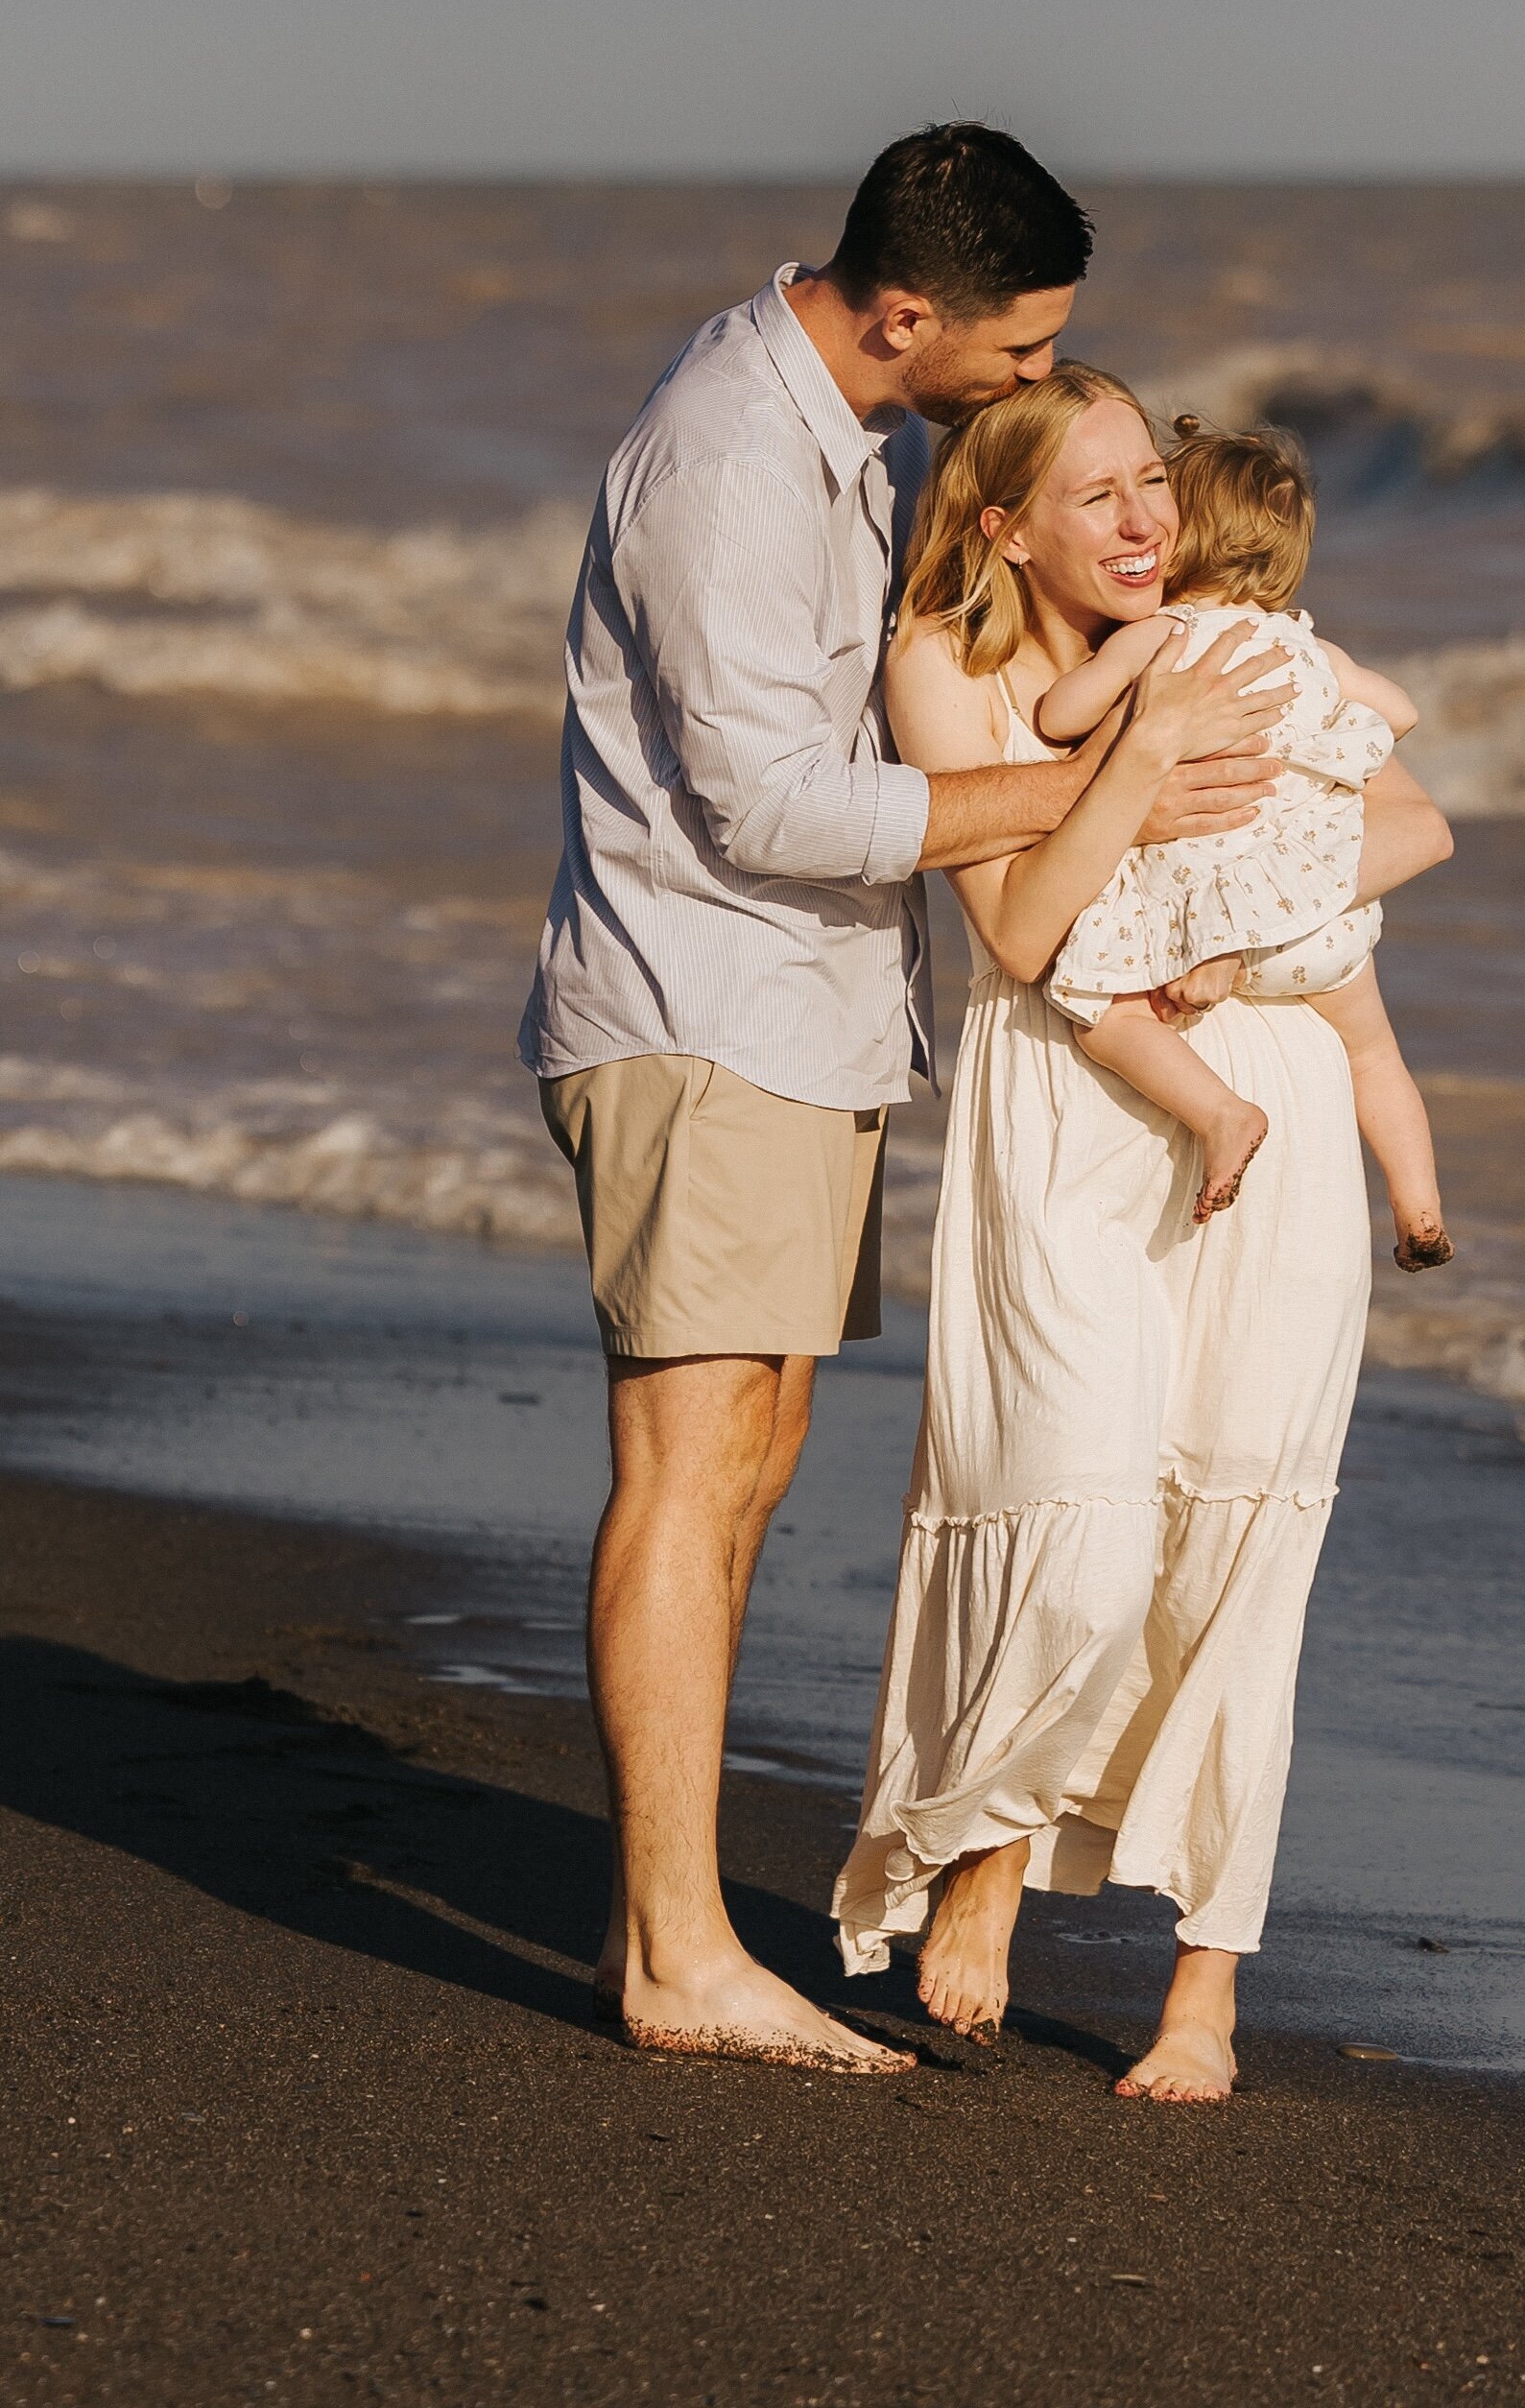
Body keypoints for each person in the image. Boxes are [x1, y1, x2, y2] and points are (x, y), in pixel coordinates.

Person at [518, 126, 1290, 2073]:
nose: (1036, 383)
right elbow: (767, 806)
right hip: (703, 1014)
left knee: (748, 1469)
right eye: (1023, 354)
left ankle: (670, 1932)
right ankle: (679, 1962)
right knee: (688, 1476)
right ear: (906, 313)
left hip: (796, 1023)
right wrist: (1088, 792)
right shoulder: (727, 464)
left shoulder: (836, 429)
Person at [832, 369, 1453, 2100]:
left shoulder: (1215, 629)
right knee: (1081, 1523)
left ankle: (1206, 1991)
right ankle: (987, 1853)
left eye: (1150, 487)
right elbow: (1026, 934)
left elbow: (1408, 821)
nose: (1141, 523)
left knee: (1240, 1538)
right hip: (1061, 1110)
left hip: (1268, 1082)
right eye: (1097, 495)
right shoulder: (945, 670)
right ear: (1002, 522)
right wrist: (1140, 769)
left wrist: (1239, 957)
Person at [1032, 417, 1454, 1268]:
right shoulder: (1315, 651)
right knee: (1375, 1056)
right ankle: (1419, 1211)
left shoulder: (1164, 637)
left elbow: (1058, 715)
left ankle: (1222, 1113)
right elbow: (1400, 713)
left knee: (1101, 1017)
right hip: (1320, 925)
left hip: (1198, 932)